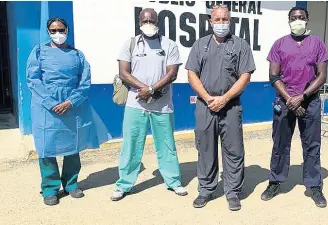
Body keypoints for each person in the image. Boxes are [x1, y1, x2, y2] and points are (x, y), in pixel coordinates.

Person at [26, 18, 110, 206]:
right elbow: (33, 80)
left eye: (61, 29)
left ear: (67, 30)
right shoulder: (39, 51)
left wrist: (71, 102)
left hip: (72, 106)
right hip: (45, 107)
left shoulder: (77, 55)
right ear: (48, 32)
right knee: (47, 148)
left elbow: (84, 81)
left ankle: (71, 184)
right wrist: (50, 102)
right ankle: (50, 188)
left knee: (73, 146)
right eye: (53, 30)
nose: (57, 33)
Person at [110, 8, 187, 201]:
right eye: (145, 21)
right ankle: (124, 184)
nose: (148, 23)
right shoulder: (130, 44)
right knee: (131, 145)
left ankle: (173, 181)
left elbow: (172, 73)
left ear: (158, 22)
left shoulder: (169, 45)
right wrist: (144, 88)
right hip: (135, 104)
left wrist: (151, 89)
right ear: (139, 23)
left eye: (152, 20)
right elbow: (123, 72)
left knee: (167, 144)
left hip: (162, 105)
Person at [185, 5, 256, 211]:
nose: (221, 23)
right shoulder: (200, 45)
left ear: (230, 21)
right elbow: (191, 74)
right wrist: (208, 98)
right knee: (205, 149)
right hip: (205, 106)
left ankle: (232, 192)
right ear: (210, 21)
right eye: (218, 19)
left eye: (225, 19)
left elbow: (245, 76)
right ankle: (206, 190)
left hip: (231, 107)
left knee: (234, 151)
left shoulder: (241, 45)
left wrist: (224, 98)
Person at [260, 7, 328, 208]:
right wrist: (291, 99)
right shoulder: (279, 44)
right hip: (284, 101)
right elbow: (274, 76)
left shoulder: (317, 44)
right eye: (293, 18)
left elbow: (322, 75)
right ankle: (275, 181)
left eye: (301, 18)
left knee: (312, 145)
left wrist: (302, 97)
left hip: (310, 101)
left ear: (307, 20)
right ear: (288, 20)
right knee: (280, 144)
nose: (297, 21)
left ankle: (314, 185)